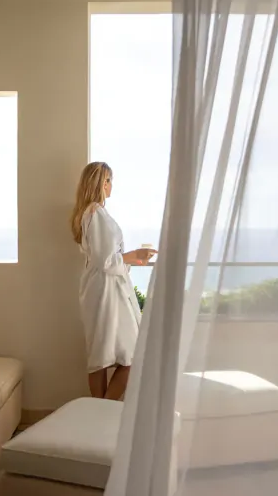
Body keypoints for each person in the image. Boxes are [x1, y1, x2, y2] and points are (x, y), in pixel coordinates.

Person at [70, 162, 157, 400]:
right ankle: (103, 409)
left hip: (101, 287)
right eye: (107, 180)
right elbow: (106, 260)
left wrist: (131, 259)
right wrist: (135, 254)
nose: (110, 185)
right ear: (97, 184)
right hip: (105, 291)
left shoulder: (92, 213)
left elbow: (105, 258)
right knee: (127, 355)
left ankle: (99, 410)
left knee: (101, 356)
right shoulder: (95, 213)